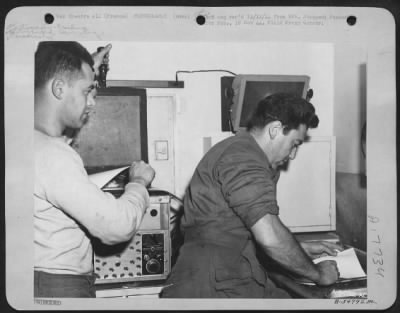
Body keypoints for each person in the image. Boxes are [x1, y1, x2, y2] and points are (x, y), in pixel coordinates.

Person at [161, 93, 342, 298]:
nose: (292, 155)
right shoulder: (243, 159)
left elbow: (237, 231)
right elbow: (270, 237)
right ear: (275, 129)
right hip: (214, 286)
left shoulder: (239, 150)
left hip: (222, 274)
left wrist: (299, 250)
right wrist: (318, 274)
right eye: (294, 144)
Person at [34, 41, 155, 298]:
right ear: (58, 88)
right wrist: (138, 183)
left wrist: (85, 69)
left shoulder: (29, 140)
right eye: (87, 91)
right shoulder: (54, 157)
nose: (93, 103)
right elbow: (117, 226)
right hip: (59, 286)